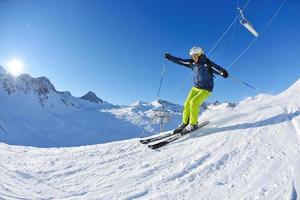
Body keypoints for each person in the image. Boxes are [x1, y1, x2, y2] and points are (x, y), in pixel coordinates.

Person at [165, 46, 228, 134]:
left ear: (200, 54)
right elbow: (181, 61)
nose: (193, 58)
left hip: (206, 89)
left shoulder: (207, 63)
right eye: (192, 56)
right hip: (195, 88)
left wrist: (222, 72)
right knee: (187, 103)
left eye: (195, 56)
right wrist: (170, 58)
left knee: (193, 102)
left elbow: (216, 68)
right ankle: (185, 122)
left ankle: (193, 124)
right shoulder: (192, 63)